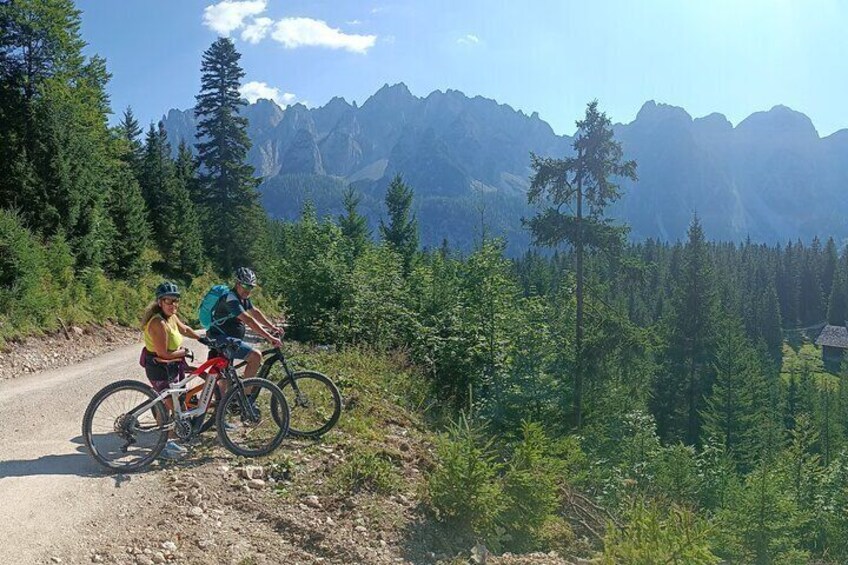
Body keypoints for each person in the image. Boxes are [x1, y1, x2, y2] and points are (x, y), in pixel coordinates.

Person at [141, 281, 203, 460]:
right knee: (169, 406)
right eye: (169, 301)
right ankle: (164, 446)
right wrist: (185, 352)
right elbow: (163, 353)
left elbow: (185, 329)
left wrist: (202, 338)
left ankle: (171, 439)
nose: (173, 305)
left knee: (178, 404)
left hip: (172, 367)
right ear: (160, 302)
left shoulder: (171, 317)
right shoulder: (158, 323)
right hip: (159, 368)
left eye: (176, 301)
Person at [207, 267, 284, 379]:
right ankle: (247, 395)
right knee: (255, 356)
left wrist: (272, 327)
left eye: (251, 287)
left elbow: (255, 313)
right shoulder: (231, 298)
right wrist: (269, 337)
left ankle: (229, 396)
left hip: (229, 340)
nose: (248, 290)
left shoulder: (242, 298)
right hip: (222, 339)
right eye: (246, 286)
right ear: (238, 283)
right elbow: (248, 320)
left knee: (225, 374)